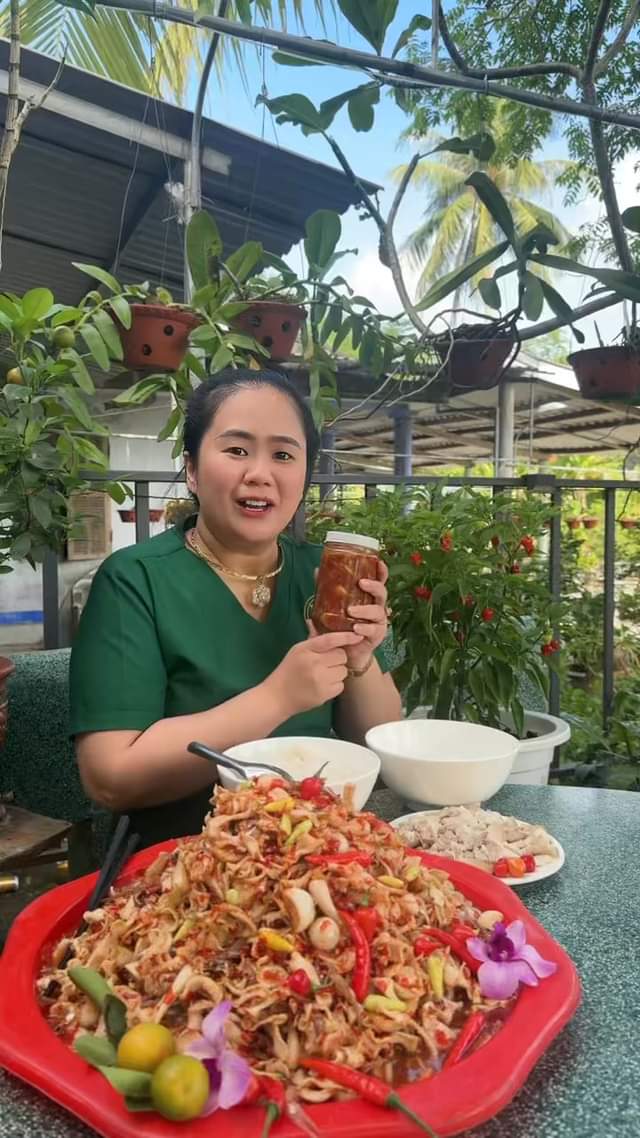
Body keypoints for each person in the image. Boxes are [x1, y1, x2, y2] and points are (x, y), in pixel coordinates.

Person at [70, 368, 402, 847]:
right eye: (237, 450)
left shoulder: (327, 574)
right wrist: (278, 698)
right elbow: (109, 777)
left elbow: (381, 747)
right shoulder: (134, 580)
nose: (260, 474)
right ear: (192, 469)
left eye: (283, 455)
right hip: (184, 857)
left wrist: (360, 659)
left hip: (320, 847)